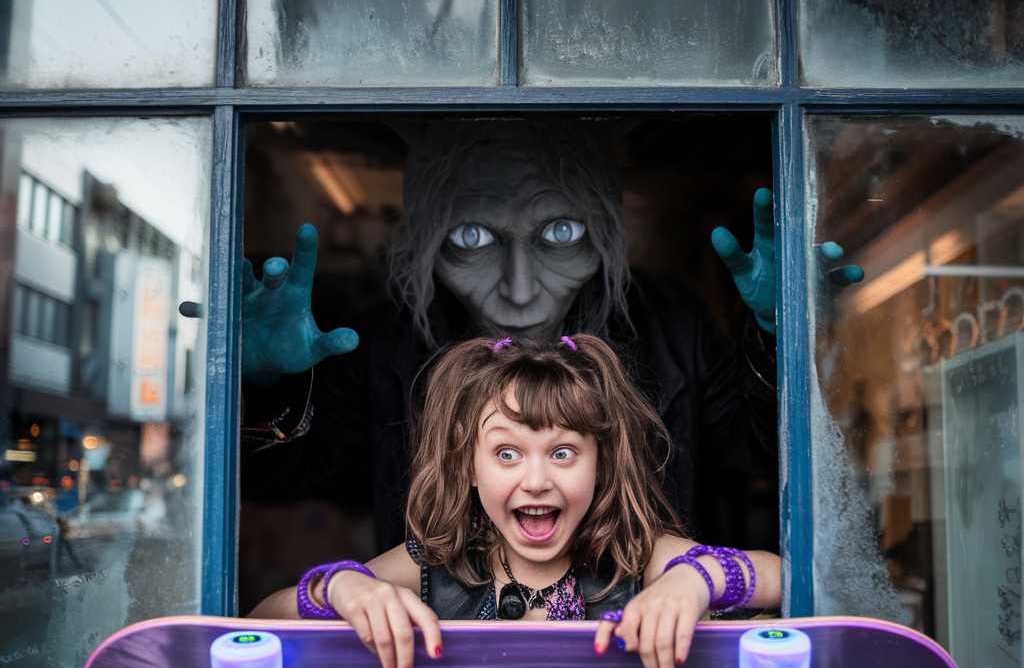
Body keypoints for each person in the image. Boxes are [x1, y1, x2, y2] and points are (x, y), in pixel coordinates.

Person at [238, 121, 862, 560]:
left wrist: (781, 339)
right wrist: (265, 388)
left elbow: (764, 466)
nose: (519, 291)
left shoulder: (670, 323)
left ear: (606, 237)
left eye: (559, 233)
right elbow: (288, 486)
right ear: (426, 245)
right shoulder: (390, 341)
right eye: (473, 240)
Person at [253, 333, 781, 668]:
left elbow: (788, 578)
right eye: (506, 454)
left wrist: (696, 581)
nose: (535, 480)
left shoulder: (637, 556)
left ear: (601, 463)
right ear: (470, 465)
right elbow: (256, 622)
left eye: (562, 453)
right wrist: (342, 587)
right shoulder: (437, 562)